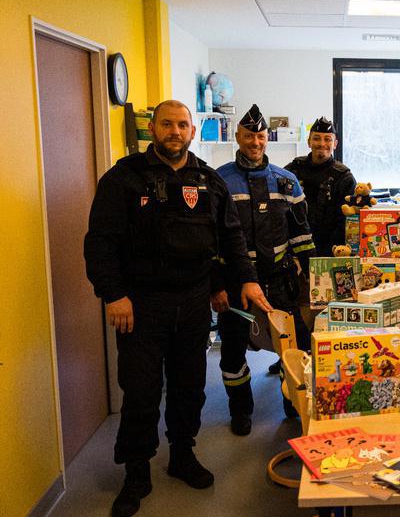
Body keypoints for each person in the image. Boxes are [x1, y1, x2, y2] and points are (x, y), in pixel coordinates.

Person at [84, 100, 272, 517]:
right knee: (142, 390)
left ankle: (181, 455)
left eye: (182, 125)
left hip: (192, 302)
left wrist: (245, 280)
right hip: (140, 304)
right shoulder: (124, 178)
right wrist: (113, 294)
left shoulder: (207, 180)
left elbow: (231, 239)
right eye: (167, 124)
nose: (175, 131)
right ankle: (136, 472)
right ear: (153, 128)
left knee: (189, 386)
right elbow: (101, 242)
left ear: (192, 131)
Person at [211, 104, 316, 436]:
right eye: (248, 136)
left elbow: (302, 234)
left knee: (293, 347)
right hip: (236, 282)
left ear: (265, 138)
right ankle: (240, 410)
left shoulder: (286, 181)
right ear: (238, 137)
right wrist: (217, 286)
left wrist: (312, 280)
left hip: (280, 281)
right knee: (232, 351)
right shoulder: (219, 180)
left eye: (259, 136)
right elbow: (210, 240)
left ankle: (293, 403)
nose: (254, 142)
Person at [284, 117, 356, 256]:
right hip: (293, 250)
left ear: (335, 144)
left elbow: (346, 223)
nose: (322, 143)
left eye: (327, 139)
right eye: (316, 138)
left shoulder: (344, 178)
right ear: (309, 142)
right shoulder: (292, 170)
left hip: (329, 251)